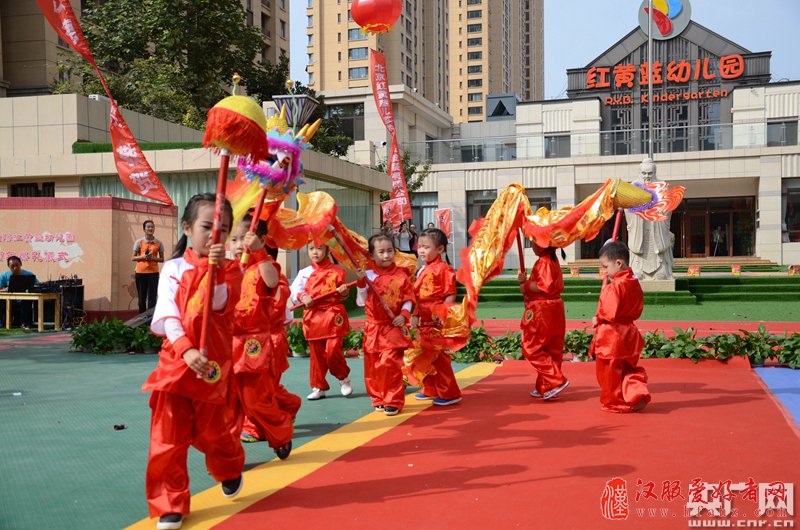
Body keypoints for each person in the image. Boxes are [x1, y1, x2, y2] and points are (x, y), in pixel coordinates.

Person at [142, 194, 245, 530]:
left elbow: (219, 303)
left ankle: (229, 468)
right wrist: (185, 348)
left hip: (212, 366)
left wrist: (212, 268)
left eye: (223, 230)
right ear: (187, 228)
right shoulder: (171, 268)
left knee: (212, 434)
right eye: (206, 227)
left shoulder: (230, 271)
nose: (214, 235)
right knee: (167, 437)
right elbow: (169, 312)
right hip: (176, 364)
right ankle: (170, 504)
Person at [227, 213, 296, 459]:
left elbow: (273, 280)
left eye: (242, 239)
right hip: (227, 344)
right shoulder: (228, 270)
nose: (237, 246)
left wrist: (260, 253)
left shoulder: (262, 267)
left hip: (254, 344)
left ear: (261, 239)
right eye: (232, 239)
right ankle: (228, 455)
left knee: (255, 401)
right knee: (228, 404)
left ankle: (280, 431)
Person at [239, 243, 301, 443]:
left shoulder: (273, 276)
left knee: (262, 389)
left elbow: (276, 307)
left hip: (269, 340)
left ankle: (257, 427)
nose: (239, 245)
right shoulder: (242, 272)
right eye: (235, 238)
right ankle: (289, 405)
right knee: (255, 388)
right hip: (245, 342)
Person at [356, 234, 415, 415]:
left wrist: (404, 314)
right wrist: (360, 282)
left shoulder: (401, 275)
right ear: (372, 255)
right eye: (381, 252)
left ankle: (393, 400)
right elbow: (361, 301)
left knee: (390, 363)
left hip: (392, 327)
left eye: (390, 251)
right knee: (374, 365)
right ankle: (378, 397)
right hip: (373, 327)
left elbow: (408, 298)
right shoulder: (367, 275)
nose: (386, 255)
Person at [591, 241, 651, 413]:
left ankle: (615, 402)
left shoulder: (615, 286)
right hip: (629, 333)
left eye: (606, 266)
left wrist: (598, 318)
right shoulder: (633, 282)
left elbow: (609, 312)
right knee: (628, 368)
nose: (605, 271)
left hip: (613, 336)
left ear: (618, 263)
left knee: (609, 373)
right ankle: (636, 393)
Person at [290, 242, 352, 401]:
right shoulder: (304, 272)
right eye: (311, 249)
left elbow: (343, 295)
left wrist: (344, 293)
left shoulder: (338, 271)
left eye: (318, 248)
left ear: (327, 250)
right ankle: (319, 386)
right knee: (316, 355)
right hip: (313, 317)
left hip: (332, 315)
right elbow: (294, 290)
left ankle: (343, 378)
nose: (314, 252)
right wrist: (302, 297)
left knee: (333, 351)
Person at [410, 228, 462, 406]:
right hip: (423, 318)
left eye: (426, 247)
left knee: (439, 359)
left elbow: (450, 293)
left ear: (439, 249)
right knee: (424, 355)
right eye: (420, 246)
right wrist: (415, 314)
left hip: (435, 319)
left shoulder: (444, 269)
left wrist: (443, 313)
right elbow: (417, 296)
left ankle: (450, 393)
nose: (421, 250)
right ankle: (430, 388)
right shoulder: (423, 269)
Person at [517, 244, 570, 400]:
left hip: (543, 310)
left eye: (534, 242)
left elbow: (543, 286)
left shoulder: (544, 262)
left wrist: (525, 285)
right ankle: (545, 386)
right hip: (554, 308)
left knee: (531, 347)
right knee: (551, 348)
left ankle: (555, 380)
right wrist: (526, 283)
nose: (532, 245)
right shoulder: (550, 259)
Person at [625, 157, 674, 281]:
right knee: (638, 246)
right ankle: (638, 270)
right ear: (639, 172)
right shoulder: (634, 186)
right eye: (644, 173)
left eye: (650, 173)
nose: (647, 176)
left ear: (655, 172)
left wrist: (655, 207)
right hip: (640, 226)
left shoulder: (662, 186)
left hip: (655, 226)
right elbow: (628, 208)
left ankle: (661, 270)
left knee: (657, 247)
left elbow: (668, 207)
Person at [132, 220, 165, 314]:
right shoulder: (139, 242)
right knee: (141, 299)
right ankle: (141, 319)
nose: (150, 228)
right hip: (140, 273)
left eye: (152, 227)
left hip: (153, 273)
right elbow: (133, 258)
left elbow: (162, 259)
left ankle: (150, 320)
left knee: (152, 298)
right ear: (144, 229)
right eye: (148, 227)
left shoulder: (159, 243)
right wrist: (143, 257)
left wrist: (153, 258)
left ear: (154, 229)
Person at [0, 256, 39, 328]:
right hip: (9, 300)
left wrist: (30, 289)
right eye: (12, 266)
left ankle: (26, 323)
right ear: (8, 266)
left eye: (17, 265)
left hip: (24, 299)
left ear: (21, 264)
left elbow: (37, 286)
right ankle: (3, 322)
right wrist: (5, 289)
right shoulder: (3, 276)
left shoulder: (29, 274)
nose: (15, 268)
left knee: (27, 301)